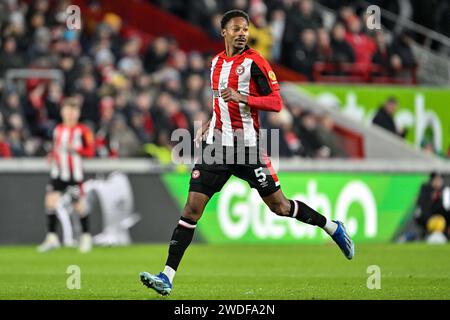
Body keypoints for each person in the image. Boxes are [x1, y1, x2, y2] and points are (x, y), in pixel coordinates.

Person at [139, 10, 355, 296]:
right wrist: (208, 123)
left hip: (248, 148)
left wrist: (244, 97)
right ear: (224, 32)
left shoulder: (256, 63)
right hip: (216, 147)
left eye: (246, 29)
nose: (242, 33)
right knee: (191, 209)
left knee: (280, 207)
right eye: (237, 29)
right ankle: (166, 277)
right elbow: (220, 104)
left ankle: (332, 228)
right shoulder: (215, 63)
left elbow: (276, 102)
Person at [37, 97, 95, 253]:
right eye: (68, 110)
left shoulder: (83, 131)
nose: (70, 114)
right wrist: (52, 156)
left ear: (78, 113)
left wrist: (76, 149)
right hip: (58, 173)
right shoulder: (58, 130)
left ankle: (86, 237)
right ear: (63, 112)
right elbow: (57, 148)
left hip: (74, 175)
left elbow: (91, 151)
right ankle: (52, 237)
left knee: (79, 206)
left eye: (74, 111)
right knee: (50, 202)